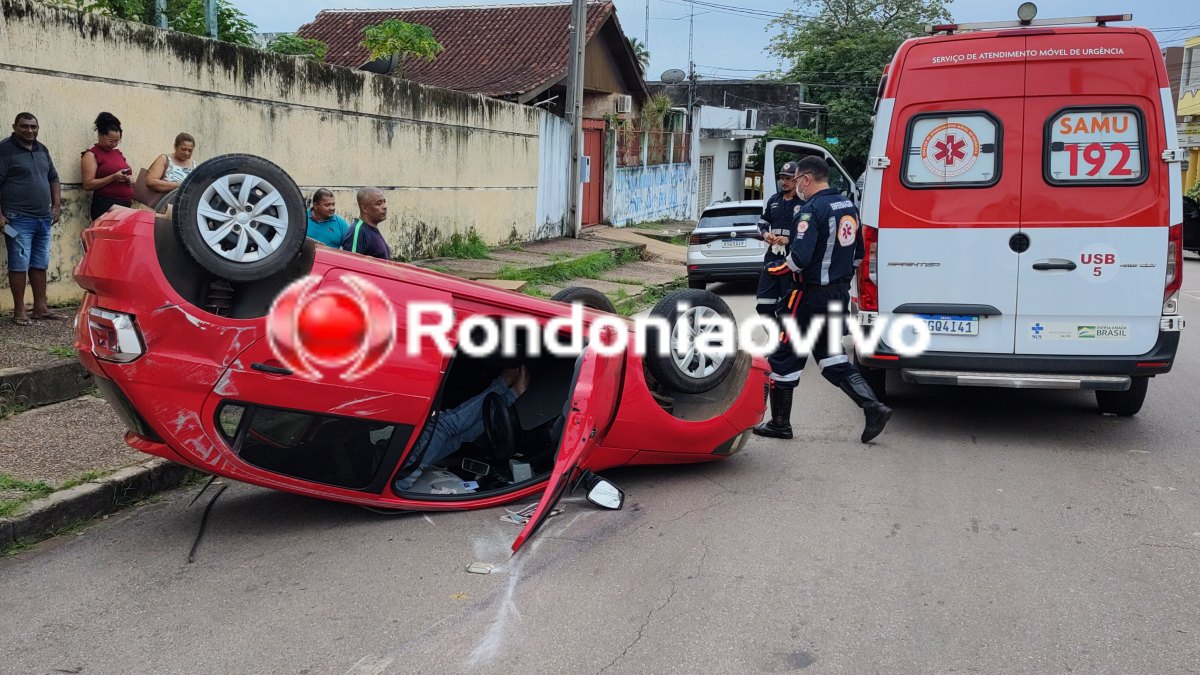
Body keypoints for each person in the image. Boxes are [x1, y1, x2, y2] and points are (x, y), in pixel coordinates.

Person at [754, 155, 892, 443]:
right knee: (831, 358)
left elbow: (799, 258)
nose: (797, 187)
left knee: (783, 357)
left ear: (805, 179)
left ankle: (780, 424)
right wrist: (838, 282)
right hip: (836, 296)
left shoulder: (810, 210)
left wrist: (773, 268)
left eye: (798, 181)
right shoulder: (849, 207)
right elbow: (858, 255)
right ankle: (873, 406)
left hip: (808, 297)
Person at [394, 366, 531, 492]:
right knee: (443, 427)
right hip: (397, 473)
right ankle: (504, 386)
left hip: (393, 471)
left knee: (459, 437)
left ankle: (510, 395)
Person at [0, 112, 63, 326]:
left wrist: (56, 206)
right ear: (15, 127)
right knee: (19, 264)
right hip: (17, 219)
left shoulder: (42, 149)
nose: (30, 131)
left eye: (34, 127)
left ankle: (40, 308)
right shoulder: (4, 150)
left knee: (39, 263)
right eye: (25, 126)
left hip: (44, 219)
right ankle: (19, 311)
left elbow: (53, 178)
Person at [756, 161, 805, 319]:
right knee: (764, 304)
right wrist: (765, 234)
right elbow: (762, 223)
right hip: (772, 256)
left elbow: (809, 233)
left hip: (792, 257)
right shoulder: (774, 200)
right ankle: (775, 333)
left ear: (796, 179)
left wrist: (789, 239)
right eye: (782, 178)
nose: (784, 182)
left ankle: (786, 337)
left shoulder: (804, 203)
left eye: (788, 178)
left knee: (788, 303)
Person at [81, 112, 133, 220]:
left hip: (124, 204)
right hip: (106, 204)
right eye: (111, 141)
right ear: (100, 134)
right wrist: (113, 177)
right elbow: (88, 185)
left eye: (117, 141)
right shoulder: (91, 155)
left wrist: (128, 179)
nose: (114, 144)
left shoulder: (117, 153)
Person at [343, 187, 391, 259]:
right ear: (364, 208)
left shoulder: (372, 229)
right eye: (378, 204)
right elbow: (352, 264)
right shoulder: (358, 231)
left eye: (384, 202)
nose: (384, 207)